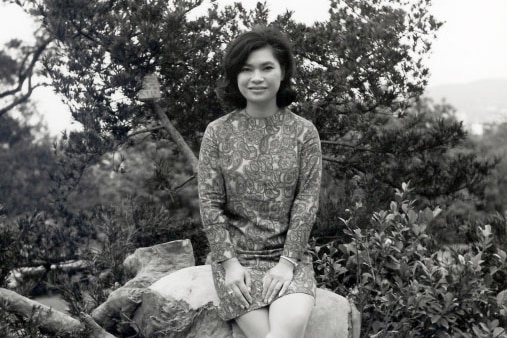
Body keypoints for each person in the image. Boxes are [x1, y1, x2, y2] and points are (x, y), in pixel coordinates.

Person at [197, 25, 322, 338]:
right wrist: (229, 265)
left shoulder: (304, 132)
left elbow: (306, 202)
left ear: (283, 73)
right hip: (236, 263)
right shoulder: (217, 132)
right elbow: (210, 203)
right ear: (234, 76)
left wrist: (287, 263)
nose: (256, 78)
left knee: (290, 325)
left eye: (267, 67)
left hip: (288, 260)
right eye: (246, 69)